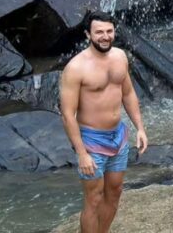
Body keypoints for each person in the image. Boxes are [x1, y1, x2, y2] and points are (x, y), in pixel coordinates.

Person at [59, 12, 148, 233]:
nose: (105, 36)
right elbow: (67, 115)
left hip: (118, 135)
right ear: (88, 34)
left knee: (115, 192)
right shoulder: (76, 68)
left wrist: (140, 128)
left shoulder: (120, 57)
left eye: (109, 31)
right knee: (94, 198)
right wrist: (81, 153)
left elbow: (128, 94)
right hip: (91, 139)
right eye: (99, 32)